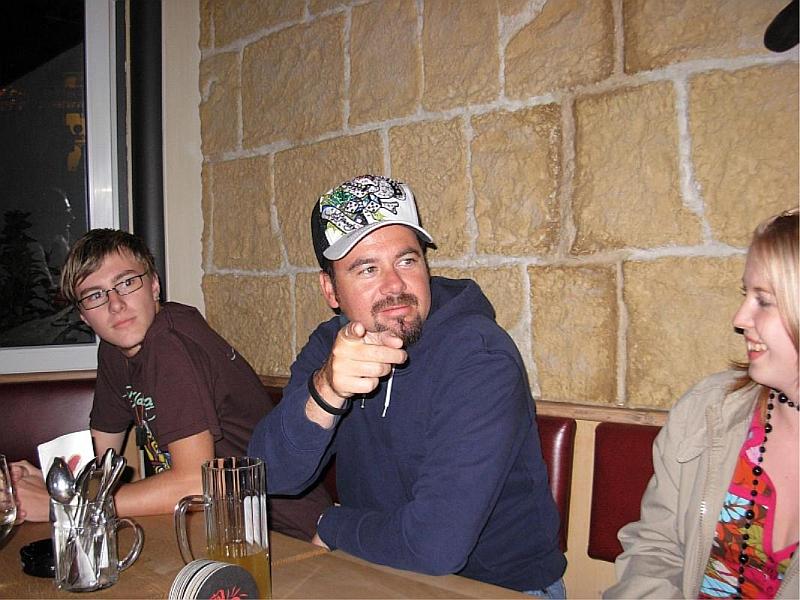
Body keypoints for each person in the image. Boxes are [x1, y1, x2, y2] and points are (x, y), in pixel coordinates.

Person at [247, 174, 567, 596]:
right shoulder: (330, 346)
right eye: (367, 268)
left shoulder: (479, 356)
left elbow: (436, 545)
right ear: (331, 290)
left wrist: (333, 524)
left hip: (497, 589)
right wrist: (326, 391)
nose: (394, 285)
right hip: (381, 573)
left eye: (407, 260)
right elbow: (268, 475)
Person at [11, 228, 330, 540]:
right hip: (217, 527)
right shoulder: (114, 349)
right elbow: (100, 462)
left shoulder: (169, 346)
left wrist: (69, 507)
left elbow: (195, 483)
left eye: (126, 283)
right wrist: (56, 483)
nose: (115, 304)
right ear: (83, 316)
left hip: (285, 535)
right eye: (95, 295)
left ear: (154, 285)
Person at [605, 209, 799, 599]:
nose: (740, 318)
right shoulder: (707, 409)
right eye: (746, 295)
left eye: (763, 301)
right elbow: (654, 547)